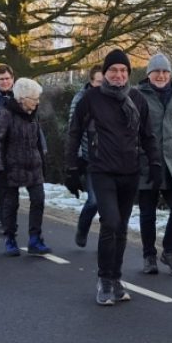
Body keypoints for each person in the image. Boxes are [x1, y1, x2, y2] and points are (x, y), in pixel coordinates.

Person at [65, 49, 157, 306]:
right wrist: (71, 168)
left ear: (129, 74)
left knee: (122, 226)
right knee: (111, 223)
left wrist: (156, 163)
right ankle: (104, 280)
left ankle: (116, 278)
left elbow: (148, 135)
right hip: (102, 170)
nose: (119, 75)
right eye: (113, 70)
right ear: (105, 73)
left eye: (123, 71)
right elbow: (74, 133)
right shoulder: (90, 99)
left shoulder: (137, 99)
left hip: (130, 171)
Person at [135, 53, 172, 276]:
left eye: (165, 72)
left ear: (170, 74)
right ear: (148, 74)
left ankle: (169, 251)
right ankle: (149, 255)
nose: (161, 75)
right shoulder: (138, 95)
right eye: (156, 71)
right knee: (147, 212)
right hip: (147, 161)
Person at [0, 77, 51, 256]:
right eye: (35, 98)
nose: (38, 102)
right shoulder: (6, 113)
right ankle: (10, 238)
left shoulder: (34, 113)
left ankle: (35, 239)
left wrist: (42, 162)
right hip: (11, 166)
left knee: (38, 200)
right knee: (11, 204)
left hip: (33, 165)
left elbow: (38, 139)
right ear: (23, 98)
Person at [67, 66, 102, 248]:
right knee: (94, 200)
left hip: (110, 160)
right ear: (91, 81)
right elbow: (73, 130)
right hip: (89, 159)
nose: (101, 86)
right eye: (98, 82)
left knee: (109, 207)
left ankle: (106, 242)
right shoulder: (81, 99)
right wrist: (77, 157)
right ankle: (83, 227)